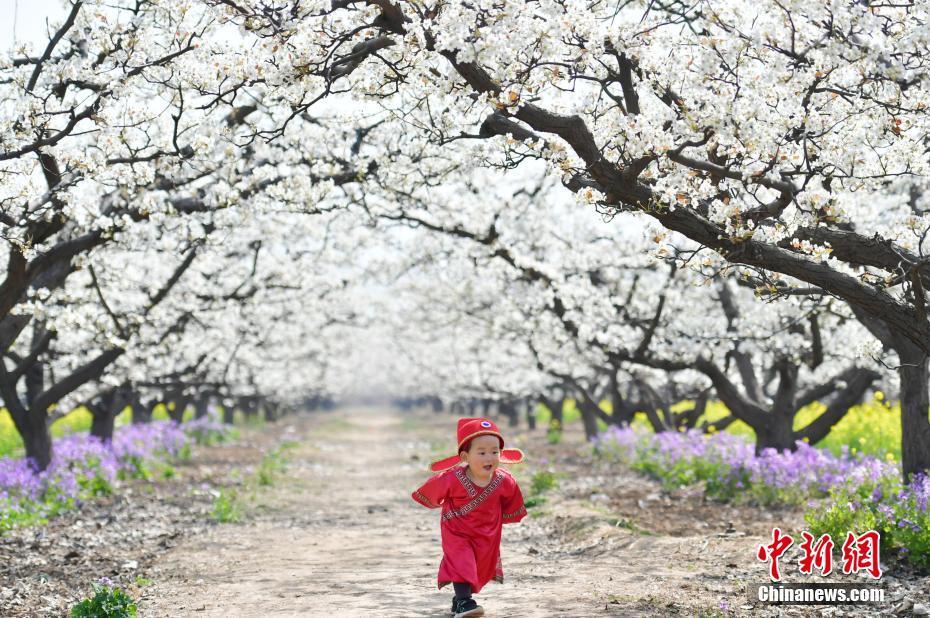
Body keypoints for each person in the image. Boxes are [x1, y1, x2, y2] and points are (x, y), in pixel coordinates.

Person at [412, 417, 527, 618]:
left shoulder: (505, 480)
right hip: (456, 530)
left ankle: (459, 600)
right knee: (461, 560)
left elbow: (512, 504)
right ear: (465, 456)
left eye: (494, 452)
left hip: (487, 533)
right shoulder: (452, 478)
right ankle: (466, 602)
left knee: (479, 565)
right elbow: (430, 491)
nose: (489, 458)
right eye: (481, 452)